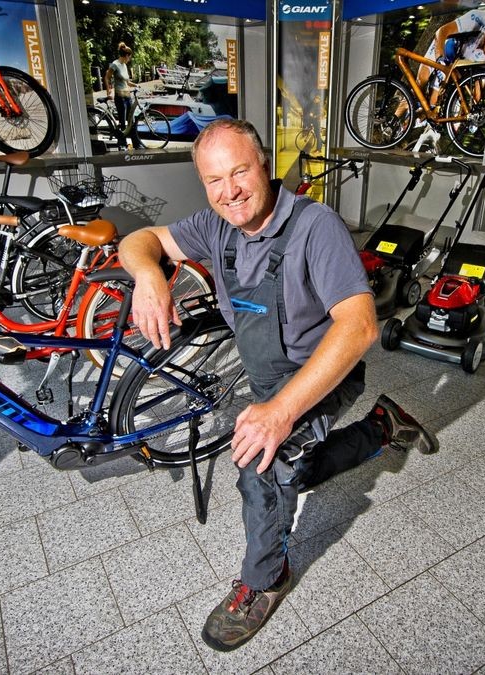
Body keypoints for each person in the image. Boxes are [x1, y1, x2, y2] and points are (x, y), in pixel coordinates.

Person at [118, 119, 437, 651]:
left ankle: (265, 580)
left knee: (260, 466)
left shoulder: (317, 227)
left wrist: (282, 410)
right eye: (214, 180)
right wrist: (149, 276)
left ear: (264, 163)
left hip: (323, 374)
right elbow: (140, 239)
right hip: (265, 373)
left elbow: (359, 327)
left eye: (240, 171)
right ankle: (384, 428)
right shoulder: (217, 222)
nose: (230, 190)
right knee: (298, 464)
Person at [104, 42, 145, 150]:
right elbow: (107, 77)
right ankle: (122, 144)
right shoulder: (115, 64)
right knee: (122, 122)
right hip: (120, 96)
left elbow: (127, 82)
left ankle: (136, 143)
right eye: (130, 56)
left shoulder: (124, 65)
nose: (130, 59)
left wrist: (136, 85)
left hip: (127, 96)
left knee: (131, 120)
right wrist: (109, 90)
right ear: (126, 55)